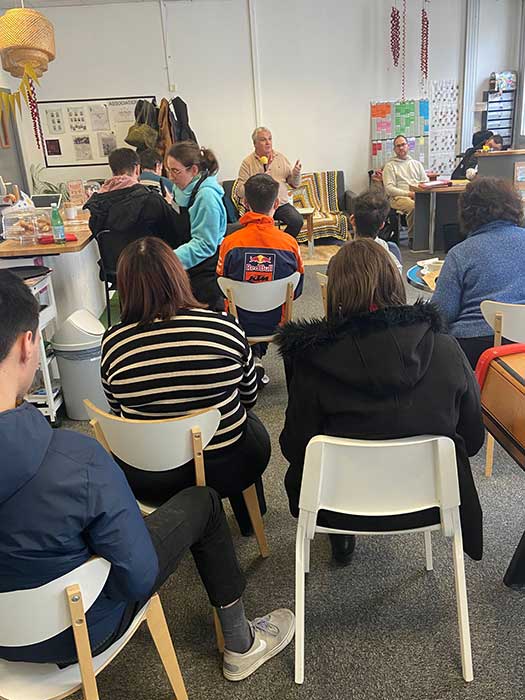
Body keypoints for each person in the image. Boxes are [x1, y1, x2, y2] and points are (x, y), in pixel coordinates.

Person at [0, 269, 293, 680]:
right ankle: (240, 644)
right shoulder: (76, 461)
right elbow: (137, 576)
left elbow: (117, 405)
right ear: (27, 344)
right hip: (80, 631)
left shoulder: (113, 345)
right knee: (205, 500)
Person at [277, 239, 484, 566]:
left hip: (334, 506)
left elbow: (295, 446)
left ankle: (341, 539)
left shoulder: (310, 360)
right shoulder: (446, 349)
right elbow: (472, 439)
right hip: (433, 501)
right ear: (395, 283)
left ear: (336, 292)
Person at [100, 236, 271, 537]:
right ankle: (249, 522)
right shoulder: (224, 326)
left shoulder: (114, 343)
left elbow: (116, 408)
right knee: (244, 419)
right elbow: (250, 396)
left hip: (151, 475)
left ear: (125, 287)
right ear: (179, 276)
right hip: (227, 466)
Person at [217, 173, 304, 386]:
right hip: (276, 320)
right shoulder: (290, 244)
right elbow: (297, 289)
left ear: (246, 204)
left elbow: (221, 285)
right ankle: (256, 357)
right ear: (276, 204)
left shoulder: (229, 243)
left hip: (239, 320)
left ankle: (250, 358)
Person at [432, 176, 525, 369]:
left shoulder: (460, 253)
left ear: (467, 212)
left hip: (472, 348)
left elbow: (441, 314)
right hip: (521, 344)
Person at [167, 141, 227, 309]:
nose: (170, 177)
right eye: (168, 170)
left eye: (175, 171)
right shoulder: (181, 188)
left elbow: (205, 244)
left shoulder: (206, 197)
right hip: (187, 261)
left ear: (194, 170)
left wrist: (170, 260)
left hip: (205, 269)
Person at [84, 147, 180, 247]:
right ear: (137, 169)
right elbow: (174, 236)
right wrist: (168, 205)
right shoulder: (152, 200)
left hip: (116, 257)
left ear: (112, 170)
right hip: (152, 255)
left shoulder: (96, 207)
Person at [236, 127, 303, 237]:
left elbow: (294, 184)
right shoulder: (247, 163)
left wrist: (296, 174)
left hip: (280, 204)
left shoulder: (281, 158)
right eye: (263, 140)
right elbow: (240, 191)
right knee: (257, 230)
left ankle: (280, 242)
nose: (268, 143)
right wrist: (258, 179)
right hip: (258, 207)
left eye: (270, 139)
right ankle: (264, 244)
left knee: (297, 221)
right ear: (255, 144)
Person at [382, 134, 429, 246]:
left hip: (417, 195)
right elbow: (389, 189)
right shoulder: (390, 166)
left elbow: (425, 182)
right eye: (398, 146)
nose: (401, 148)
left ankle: (429, 237)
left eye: (403, 144)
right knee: (414, 207)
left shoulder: (416, 164)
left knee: (432, 204)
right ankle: (414, 238)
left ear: (408, 146)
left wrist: (418, 192)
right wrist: (409, 194)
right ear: (394, 149)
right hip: (398, 198)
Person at [349, 189, 403, 274]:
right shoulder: (390, 253)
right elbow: (398, 277)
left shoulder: (340, 258)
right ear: (382, 225)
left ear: (352, 220)